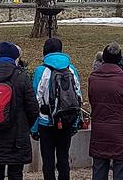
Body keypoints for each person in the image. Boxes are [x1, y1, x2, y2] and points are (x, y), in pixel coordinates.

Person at [0, 42, 39, 180]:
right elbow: (33, 108)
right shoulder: (21, 77)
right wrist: (25, 126)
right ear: (15, 58)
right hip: (17, 136)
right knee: (16, 173)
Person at [88, 43, 123, 180]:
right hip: (120, 131)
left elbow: (92, 99)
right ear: (119, 59)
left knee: (99, 168)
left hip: (100, 129)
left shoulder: (93, 78)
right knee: (121, 170)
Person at [32, 37, 82, 180]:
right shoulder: (72, 69)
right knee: (63, 157)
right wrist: (75, 122)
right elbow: (77, 97)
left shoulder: (40, 71)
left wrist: (34, 128)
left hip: (46, 121)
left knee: (47, 159)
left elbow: (35, 100)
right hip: (66, 120)